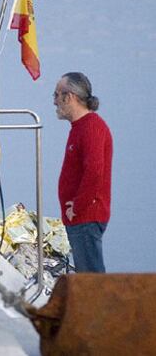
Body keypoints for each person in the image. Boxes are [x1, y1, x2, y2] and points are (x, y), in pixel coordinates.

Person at [53, 72, 113, 272]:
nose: (54, 102)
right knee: (87, 276)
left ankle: (98, 305)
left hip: (85, 217)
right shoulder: (79, 127)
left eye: (56, 95)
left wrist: (77, 207)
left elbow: (95, 172)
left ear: (69, 97)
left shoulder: (91, 128)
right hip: (79, 217)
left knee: (91, 279)